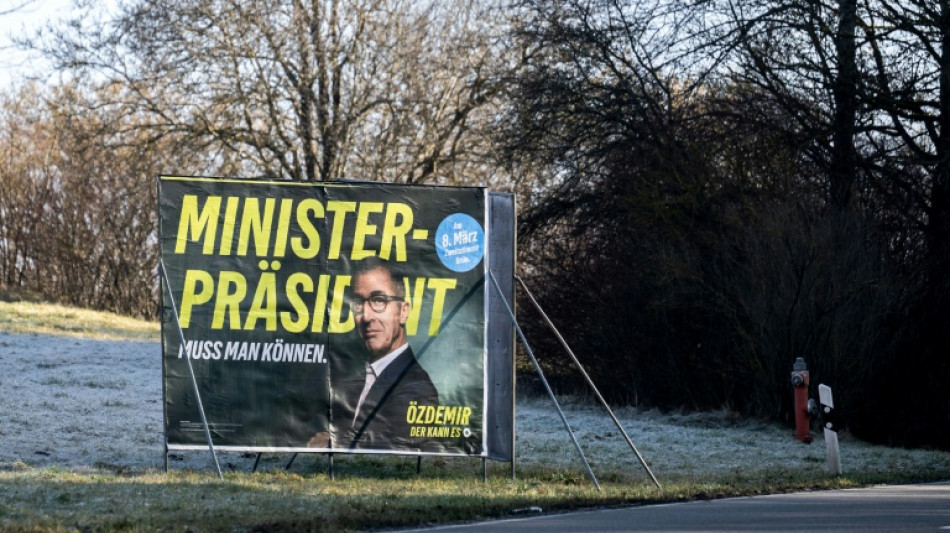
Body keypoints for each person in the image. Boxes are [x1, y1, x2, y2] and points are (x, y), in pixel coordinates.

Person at [335, 259, 439, 449]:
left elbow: (391, 450)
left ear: (403, 312)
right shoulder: (353, 383)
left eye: (379, 301)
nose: (366, 316)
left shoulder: (417, 388)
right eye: (358, 303)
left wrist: (333, 441)